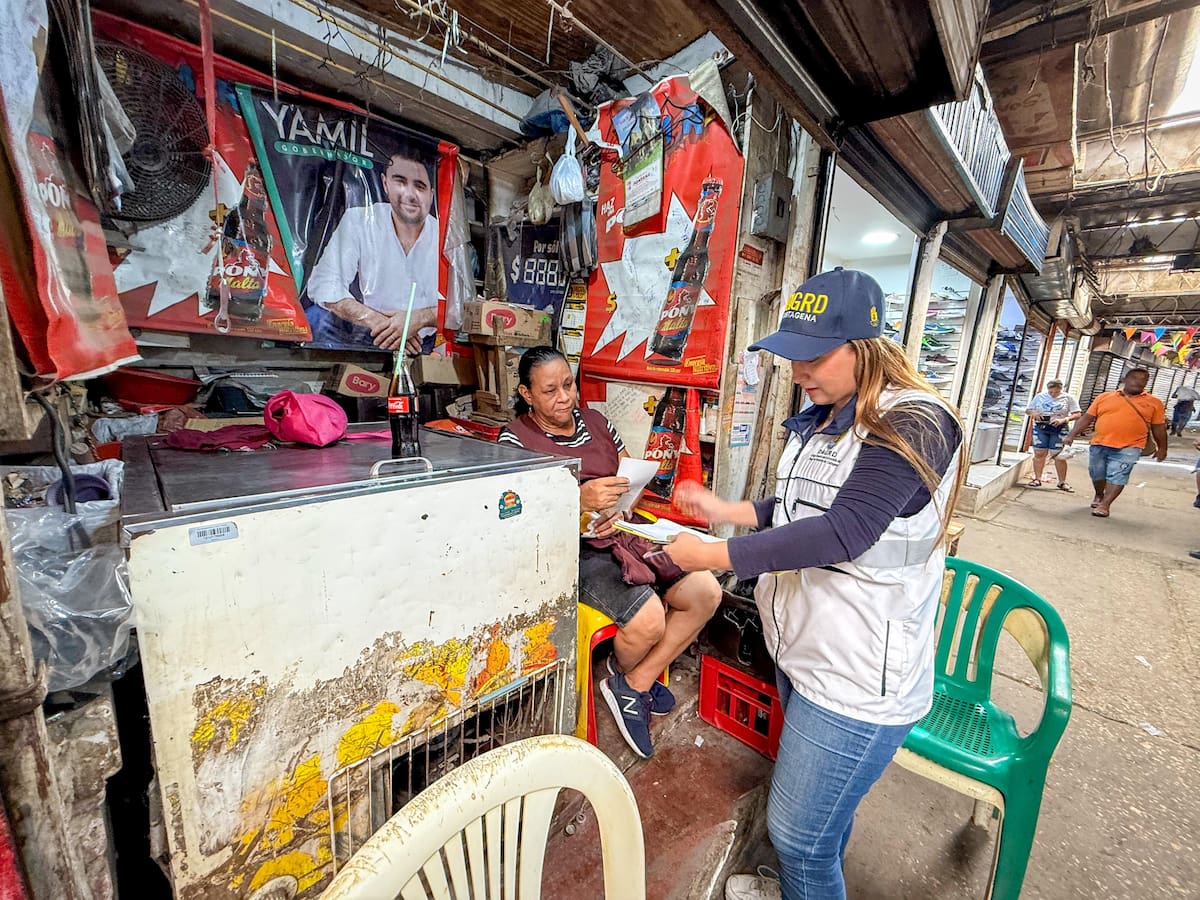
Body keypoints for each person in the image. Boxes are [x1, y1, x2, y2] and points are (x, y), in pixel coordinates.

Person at [660, 268, 963, 900]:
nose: (798, 371)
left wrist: (715, 552)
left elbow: (846, 529)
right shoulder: (828, 414)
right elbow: (801, 508)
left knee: (798, 836)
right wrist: (726, 508)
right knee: (823, 824)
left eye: (814, 356)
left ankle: (806, 881)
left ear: (866, 347)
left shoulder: (917, 422)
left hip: (859, 678)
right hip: (809, 650)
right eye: (791, 354)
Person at [496, 347, 720, 758]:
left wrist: (624, 500)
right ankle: (627, 674)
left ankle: (630, 681)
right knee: (648, 618)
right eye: (550, 391)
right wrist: (578, 499)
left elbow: (624, 475)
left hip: (621, 533)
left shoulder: (596, 422)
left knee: (706, 590)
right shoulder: (515, 438)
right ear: (527, 395)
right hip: (570, 550)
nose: (565, 397)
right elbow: (514, 512)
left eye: (568, 384)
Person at [305, 146, 440, 352]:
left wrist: (419, 319)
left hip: (423, 341)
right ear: (385, 183)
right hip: (370, 330)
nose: (410, 194)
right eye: (400, 182)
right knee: (315, 317)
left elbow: (462, 307)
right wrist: (379, 323)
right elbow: (324, 283)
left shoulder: (443, 236)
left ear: (430, 194)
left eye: (420, 186)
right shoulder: (358, 219)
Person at [1063, 368, 1167, 518]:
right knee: (1096, 472)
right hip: (1100, 442)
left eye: (1143, 379)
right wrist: (1072, 434)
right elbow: (1087, 417)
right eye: (1134, 378)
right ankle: (1099, 494)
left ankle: (1105, 504)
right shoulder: (1104, 397)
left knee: (1118, 474)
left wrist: (1162, 447)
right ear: (1125, 379)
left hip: (1131, 446)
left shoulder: (1154, 403)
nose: (1138, 382)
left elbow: (1159, 427)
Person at [1024, 379, 1081, 491]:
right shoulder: (1040, 396)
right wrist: (1034, 413)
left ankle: (1062, 481)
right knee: (1040, 453)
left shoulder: (1068, 398)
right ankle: (1037, 478)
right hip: (1041, 427)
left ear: (1060, 389)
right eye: (1051, 392)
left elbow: (1077, 413)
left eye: (1056, 392)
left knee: (1058, 455)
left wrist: (1065, 419)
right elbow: (1028, 410)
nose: (1053, 394)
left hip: (1059, 427)